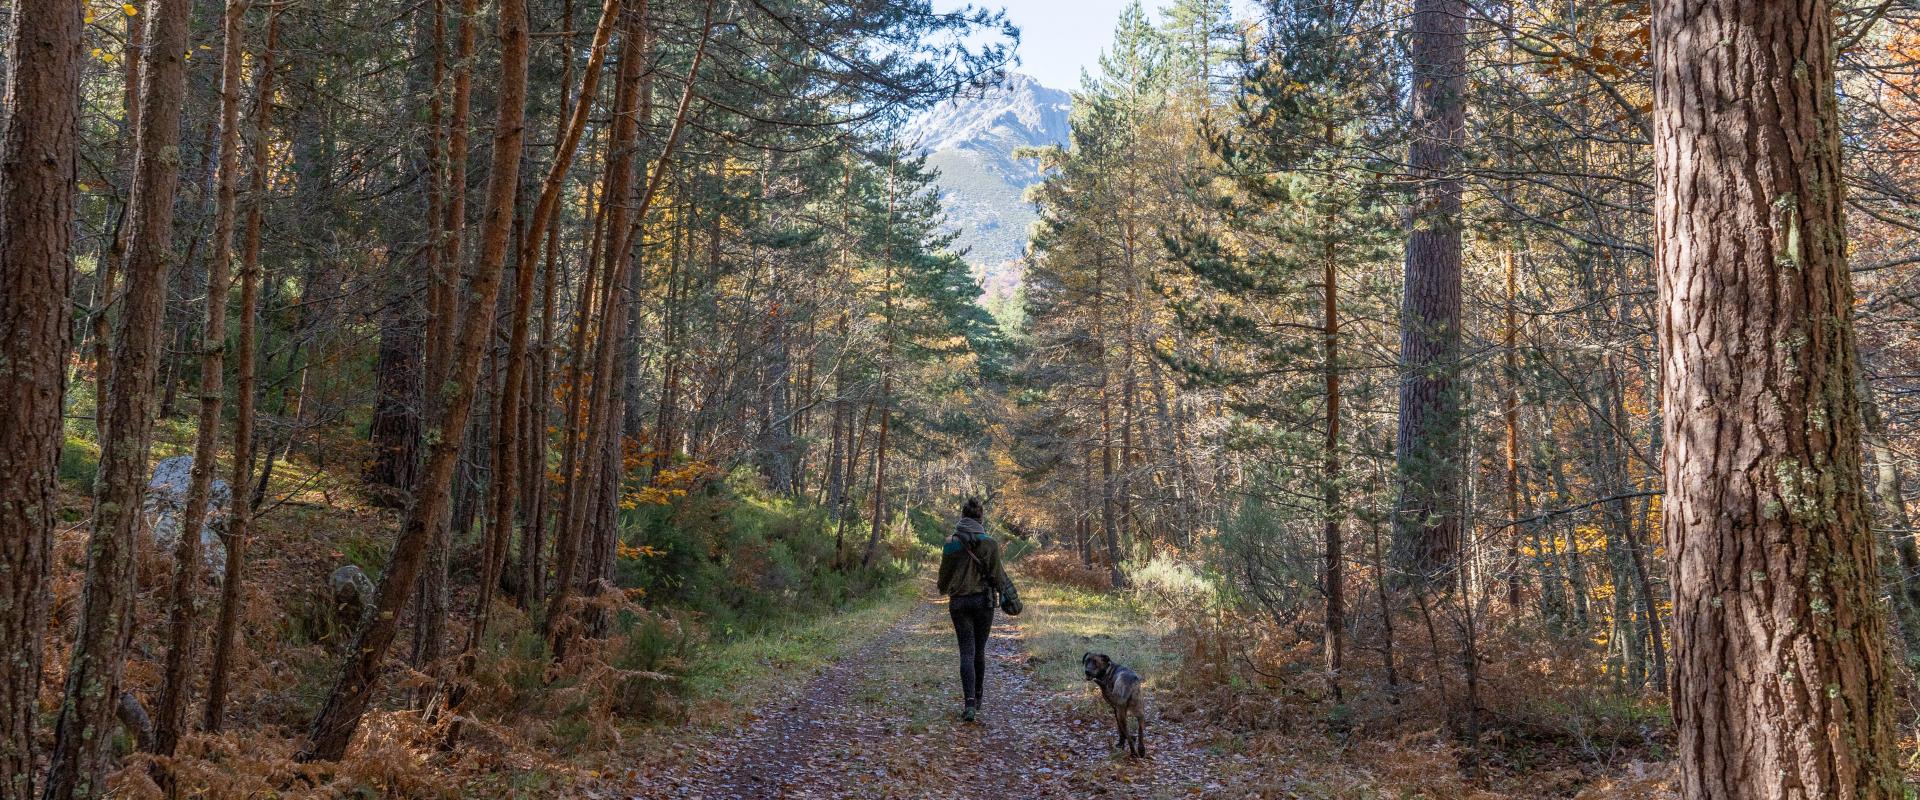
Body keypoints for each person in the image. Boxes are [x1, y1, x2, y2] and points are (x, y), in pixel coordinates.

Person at [937, 496, 1017, 722]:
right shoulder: (990, 544)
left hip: (959, 603)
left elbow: (944, 575)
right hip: (983, 602)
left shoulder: (951, 542)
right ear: (981, 518)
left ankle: (969, 704)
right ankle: (979, 698)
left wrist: (944, 588)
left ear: (962, 516)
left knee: (966, 652)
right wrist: (1007, 595)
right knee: (979, 651)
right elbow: (998, 576)